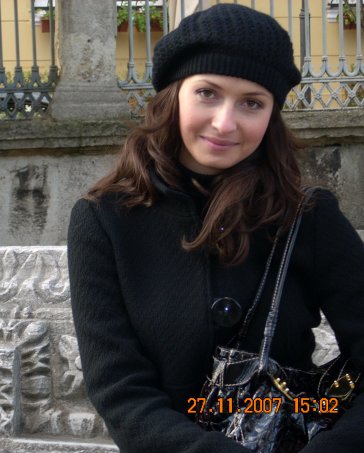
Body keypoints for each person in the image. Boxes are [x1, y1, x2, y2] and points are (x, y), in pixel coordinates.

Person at [67, 4, 364, 453]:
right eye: (208, 93)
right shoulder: (104, 219)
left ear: (272, 114)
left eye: (252, 103)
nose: (225, 123)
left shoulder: (309, 217)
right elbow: (119, 390)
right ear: (173, 95)